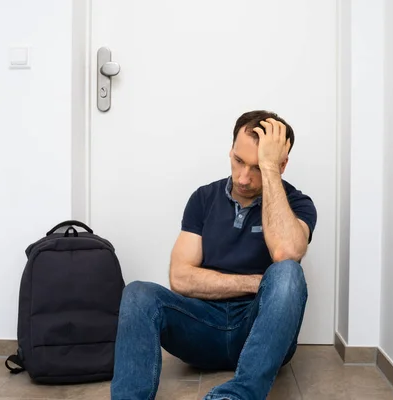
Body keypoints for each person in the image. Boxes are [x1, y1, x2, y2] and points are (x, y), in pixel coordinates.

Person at [110, 110, 317, 400]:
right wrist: (256, 284)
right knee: (138, 293)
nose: (243, 177)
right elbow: (180, 278)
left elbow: (285, 253)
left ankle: (237, 395)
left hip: (258, 329)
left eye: (258, 167)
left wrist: (270, 171)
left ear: (282, 165)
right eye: (238, 160)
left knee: (288, 272)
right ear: (230, 151)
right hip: (202, 327)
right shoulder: (203, 198)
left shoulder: (297, 204)